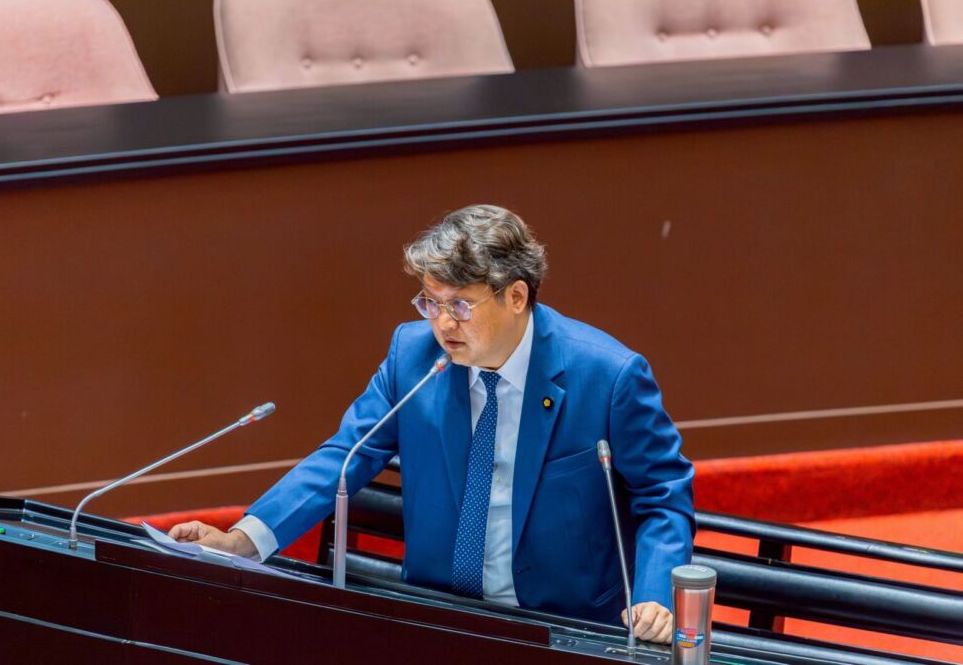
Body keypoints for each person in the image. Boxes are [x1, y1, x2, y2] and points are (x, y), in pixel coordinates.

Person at [170, 204, 695, 643]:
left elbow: (663, 494)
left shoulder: (608, 377)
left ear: (516, 297)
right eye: (431, 302)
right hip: (435, 621)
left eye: (460, 305)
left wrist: (653, 597)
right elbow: (346, 455)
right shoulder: (413, 356)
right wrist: (243, 541)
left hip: (564, 630)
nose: (442, 324)